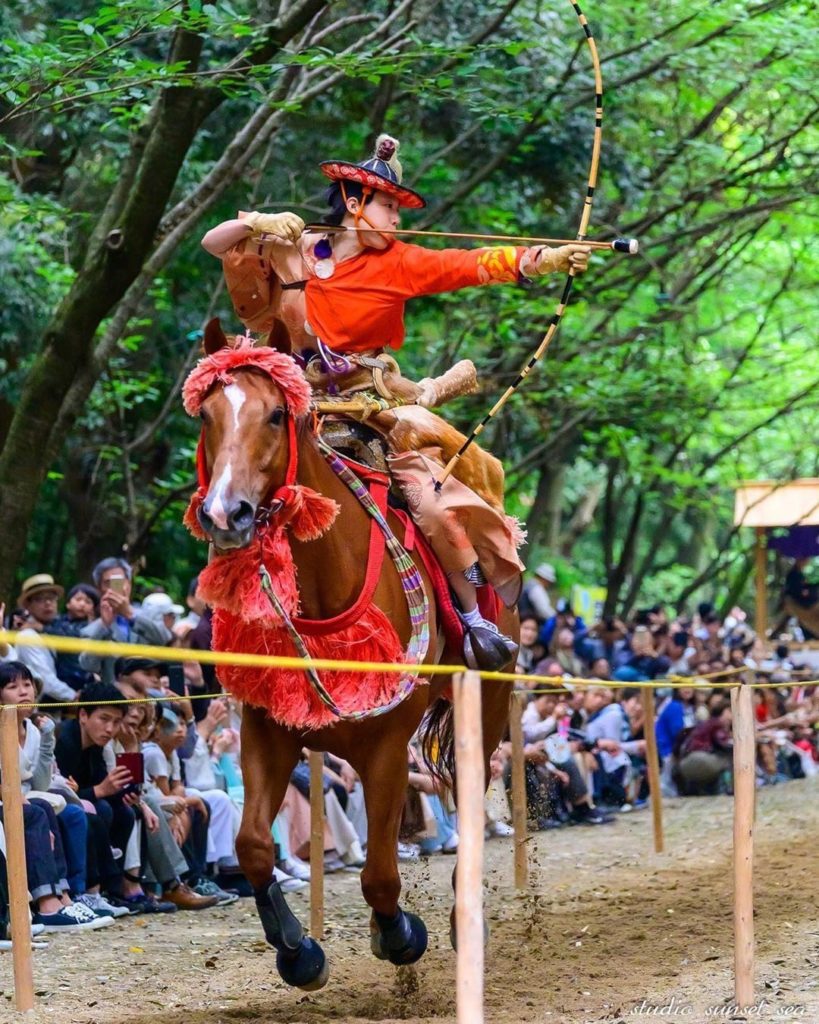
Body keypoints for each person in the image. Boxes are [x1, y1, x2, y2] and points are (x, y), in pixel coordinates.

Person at [201, 134, 591, 670]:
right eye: (387, 205)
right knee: (230, 476)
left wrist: (546, 259)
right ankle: (228, 613)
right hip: (291, 404)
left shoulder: (401, 262)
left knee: (427, 498)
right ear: (354, 202)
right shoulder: (295, 246)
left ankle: (473, 619)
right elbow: (214, 242)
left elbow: (470, 263)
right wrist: (257, 223)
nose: (395, 218)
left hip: (366, 410)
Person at [79, 558, 171, 683]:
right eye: (108, 583)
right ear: (100, 589)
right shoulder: (92, 630)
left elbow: (163, 639)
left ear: (129, 584)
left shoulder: (146, 617)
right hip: (114, 697)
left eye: (119, 581)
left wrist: (130, 614)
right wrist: (105, 626)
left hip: (149, 694)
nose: (115, 587)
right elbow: (88, 666)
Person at [14, 574, 79, 703]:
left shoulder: (55, 628)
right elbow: (45, 680)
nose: (48, 603)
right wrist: (74, 697)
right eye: (39, 599)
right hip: (37, 712)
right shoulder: (27, 636)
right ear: (28, 605)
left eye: (52, 598)